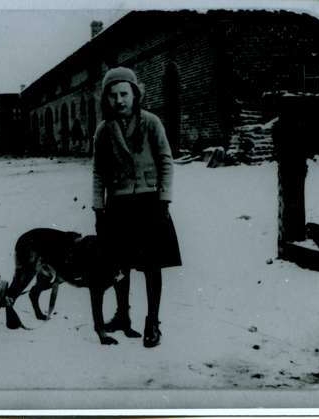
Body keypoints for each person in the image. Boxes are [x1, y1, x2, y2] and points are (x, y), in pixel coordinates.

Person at [92, 67, 182, 348]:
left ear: (135, 94)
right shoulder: (104, 130)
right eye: (112, 95)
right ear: (106, 99)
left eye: (124, 94)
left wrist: (164, 200)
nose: (119, 100)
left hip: (149, 204)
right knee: (120, 265)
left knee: (151, 265)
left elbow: (166, 161)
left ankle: (152, 321)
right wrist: (98, 208)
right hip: (117, 205)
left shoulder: (151, 123)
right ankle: (123, 316)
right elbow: (97, 172)